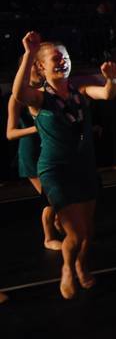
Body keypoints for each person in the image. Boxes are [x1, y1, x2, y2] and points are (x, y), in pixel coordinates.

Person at [12, 33, 116, 299]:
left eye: (66, 58)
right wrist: (28, 54)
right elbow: (18, 92)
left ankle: (81, 264)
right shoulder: (39, 99)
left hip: (84, 169)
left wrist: (112, 78)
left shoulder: (80, 92)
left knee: (88, 232)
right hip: (56, 171)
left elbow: (107, 93)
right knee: (75, 232)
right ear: (41, 67)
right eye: (56, 58)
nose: (63, 62)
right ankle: (68, 268)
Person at [7, 59, 61, 250]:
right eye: (35, 65)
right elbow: (10, 133)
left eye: (40, 64)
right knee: (50, 197)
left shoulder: (48, 91)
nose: (39, 68)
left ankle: (58, 221)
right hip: (31, 153)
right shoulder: (17, 97)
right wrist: (36, 128)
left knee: (59, 195)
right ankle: (48, 238)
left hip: (50, 148)